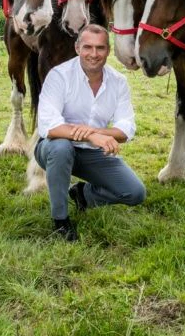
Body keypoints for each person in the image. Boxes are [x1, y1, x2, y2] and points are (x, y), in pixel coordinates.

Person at [33, 23, 146, 241]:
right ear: (77, 48)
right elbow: (50, 127)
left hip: (92, 152)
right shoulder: (59, 76)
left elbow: (126, 128)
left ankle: (83, 195)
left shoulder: (118, 82)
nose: (93, 54)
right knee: (61, 147)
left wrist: (94, 131)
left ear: (108, 51)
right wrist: (93, 135)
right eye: (87, 47)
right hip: (53, 149)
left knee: (135, 193)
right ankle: (60, 221)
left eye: (100, 48)